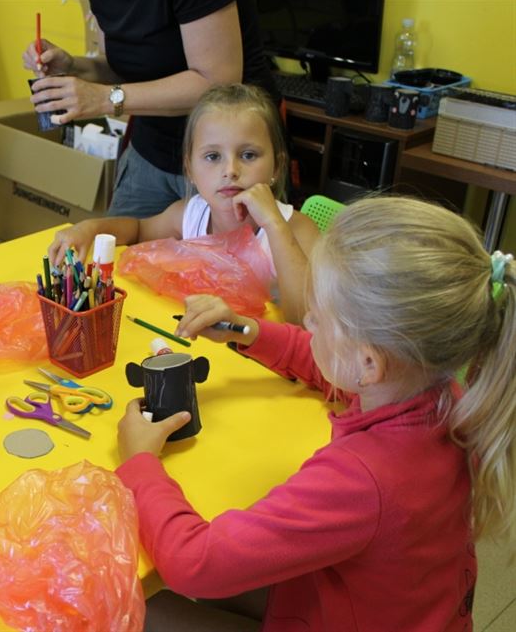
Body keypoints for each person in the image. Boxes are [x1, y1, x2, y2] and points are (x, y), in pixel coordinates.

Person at [115, 196, 516, 631]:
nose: (306, 321)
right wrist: (247, 331)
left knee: (131, 606)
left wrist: (140, 462)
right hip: (385, 606)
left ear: (369, 363)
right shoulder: (443, 394)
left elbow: (195, 564)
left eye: (318, 318)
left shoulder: (361, 479)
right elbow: (335, 365)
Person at [48, 84, 319, 323]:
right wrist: (91, 228)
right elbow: (138, 230)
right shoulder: (191, 214)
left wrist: (274, 225)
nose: (230, 170)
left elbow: (306, 319)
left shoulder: (298, 231)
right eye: (213, 157)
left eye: (248, 155)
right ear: (189, 169)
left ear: (277, 167)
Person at [23, 0, 280, 218]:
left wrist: (103, 99)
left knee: (224, 257)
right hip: (152, 146)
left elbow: (216, 85)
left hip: (227, 151)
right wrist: (74, 67)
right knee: (120, 251)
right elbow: (123, 67)